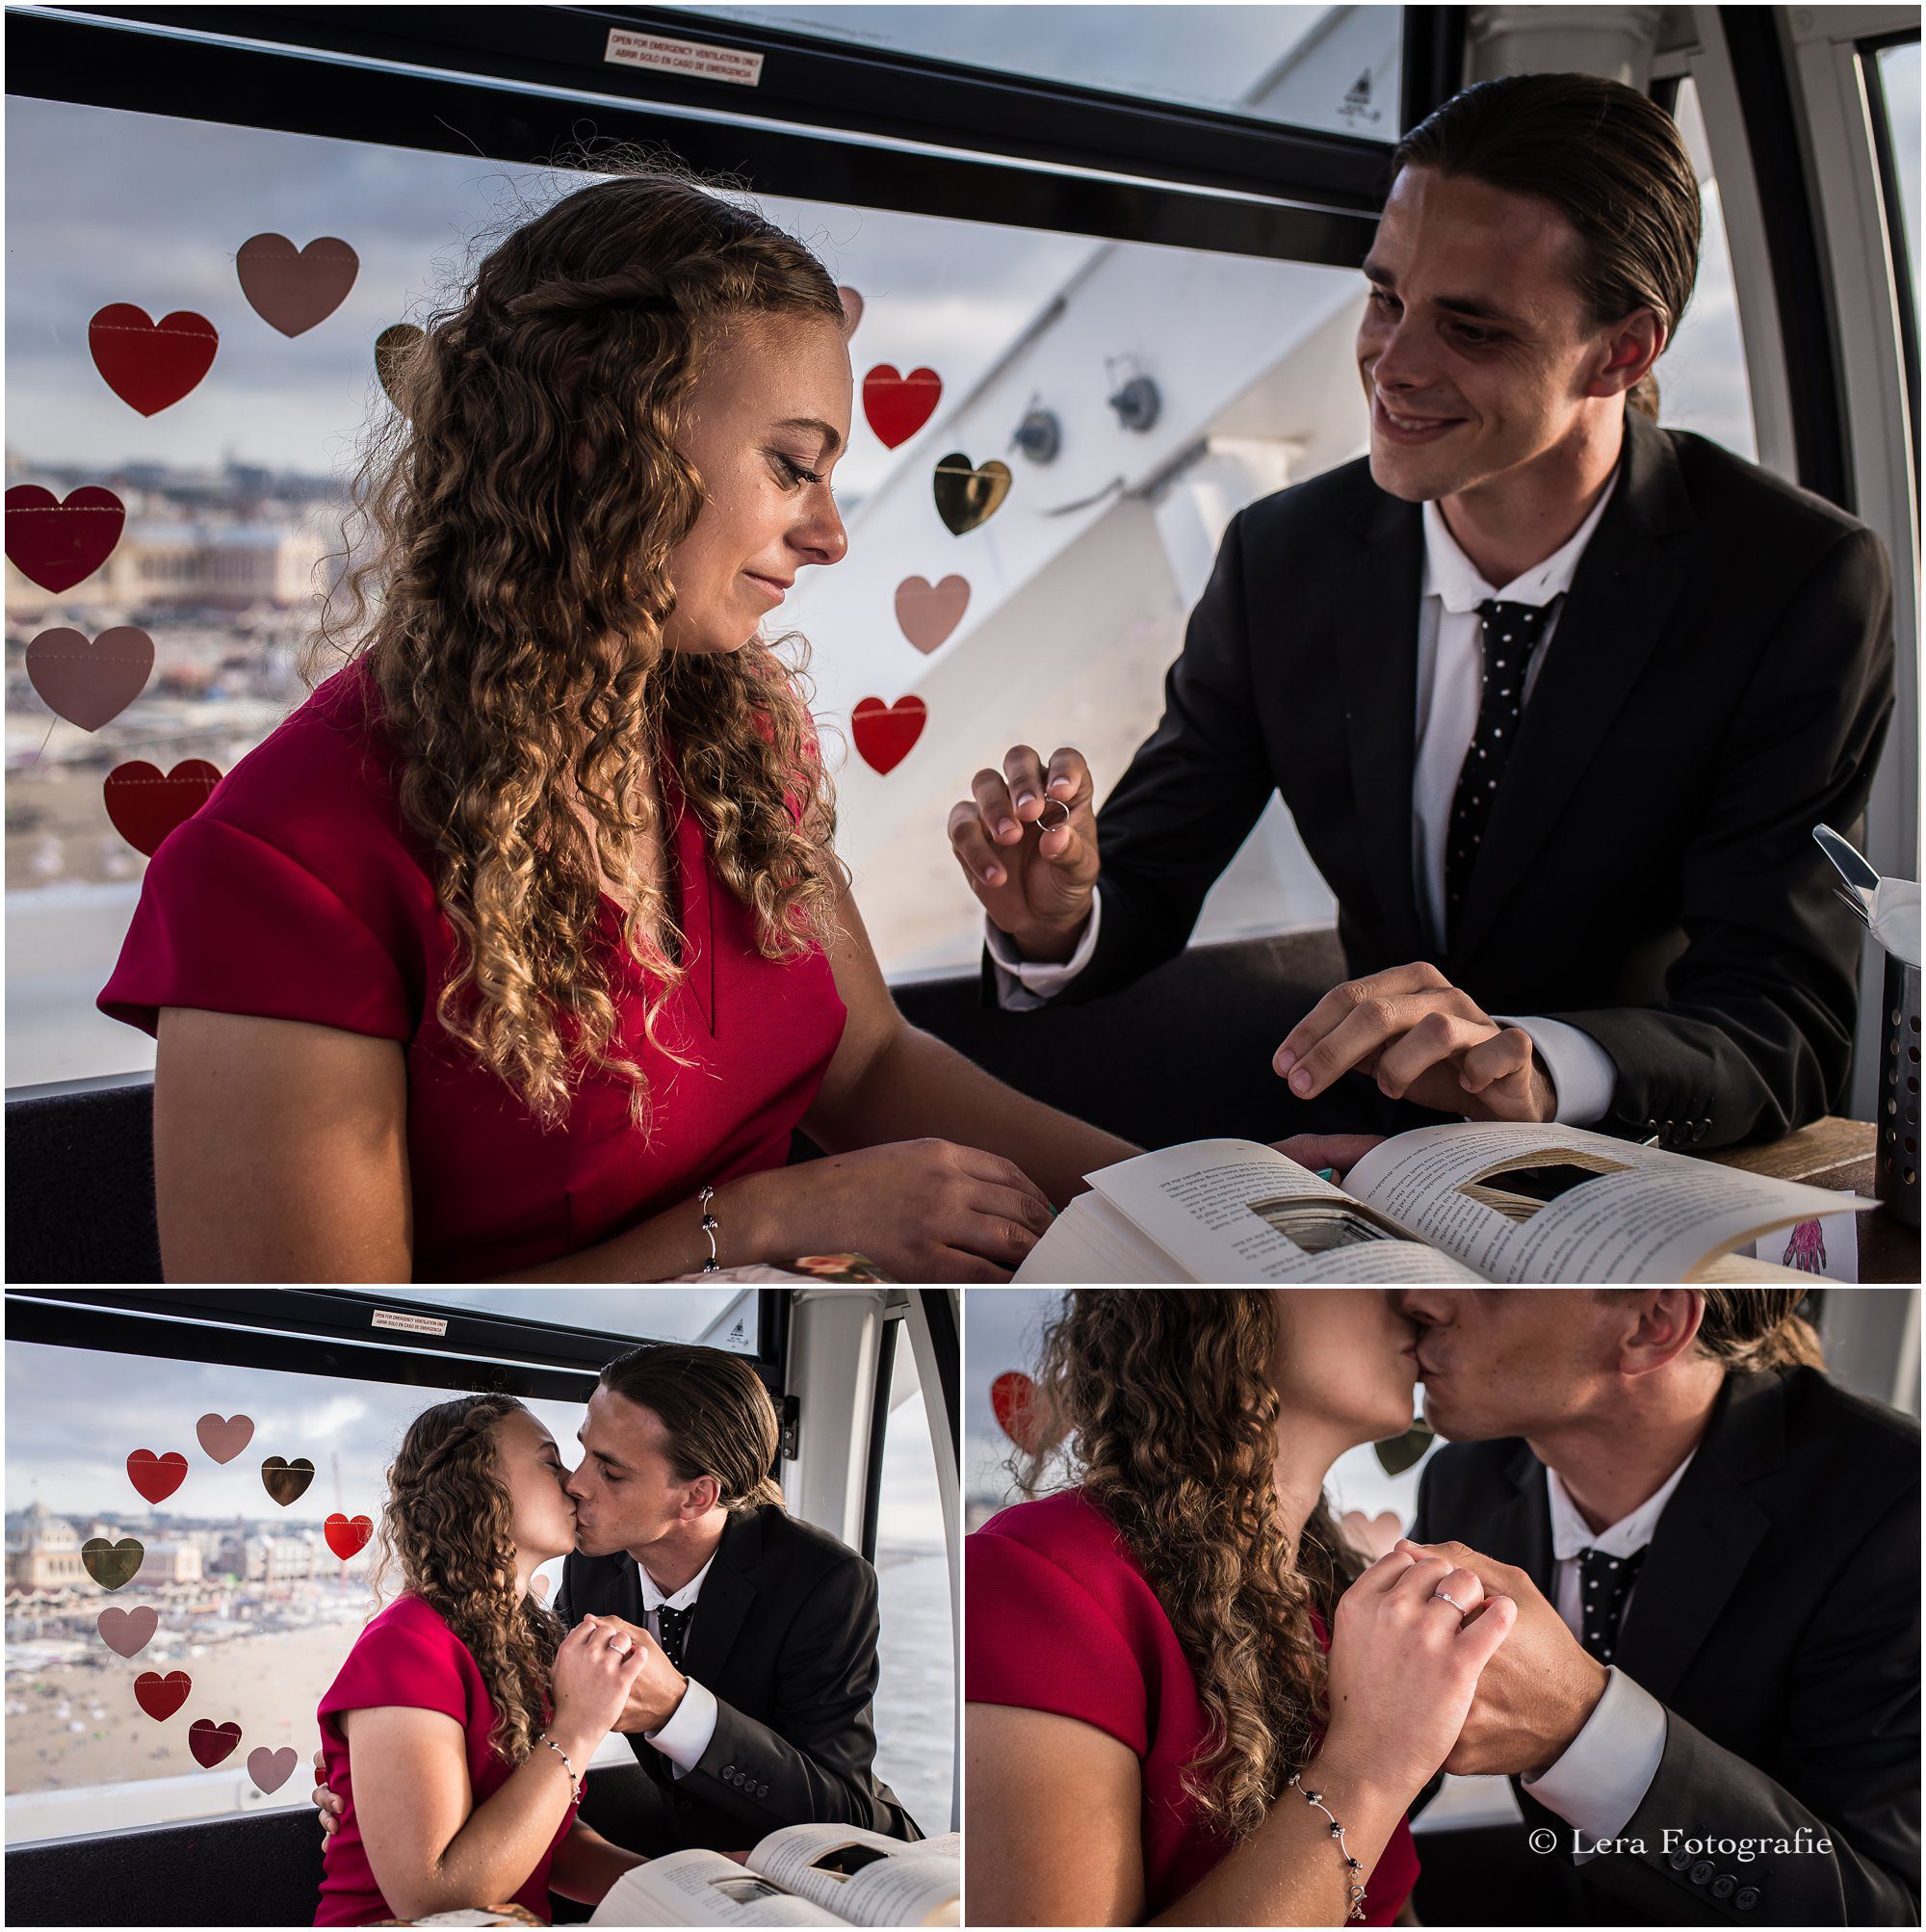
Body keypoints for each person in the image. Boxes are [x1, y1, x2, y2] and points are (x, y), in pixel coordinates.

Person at [97, 165, 1136, 1282]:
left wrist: (1199, 1197)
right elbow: (332, 1343)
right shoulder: (282, 866)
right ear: (602, 439)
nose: (830, 535)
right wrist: (756, 1222)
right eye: (791, 466)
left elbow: (869, 1060)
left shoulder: (736, 735)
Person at [949, 73, 1895, 1153]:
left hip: (1640, 1170)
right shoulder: (1280, 556)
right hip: (1367, 1158)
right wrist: (1054, 918)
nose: (1390, 367)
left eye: (1470, 329)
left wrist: (1537, 1069)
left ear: (1621, 351)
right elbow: (1149, 873)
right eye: (1384, 298)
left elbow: (1782, 1024)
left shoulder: (1791, 581)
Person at [966, 1290, 1517, 1925]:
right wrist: (1375, 1760)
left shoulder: (1333, 1596)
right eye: (1360, 1270)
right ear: (1223, 1301)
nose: (1417, 1299)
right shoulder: (1038, 1577)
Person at [1396, 1288, 1919, 1925]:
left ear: (1654, 1322)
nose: (1419, 1296)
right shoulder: (1464, 1481)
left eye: (1489, 1274)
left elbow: (1885, 1909)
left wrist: (1582, 1733)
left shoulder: (1895, 1504)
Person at [317, 1342, 916, 1862]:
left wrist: (676, 1713)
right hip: (696, 1871)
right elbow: (510, 1711)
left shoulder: (827, 1582)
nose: (576, 1483)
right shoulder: (589, 1568)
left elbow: (846, 1813)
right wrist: (376, 1784)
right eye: (580, 1452)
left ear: (695, 1497)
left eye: (611, 1470)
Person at [313, 1394, 652, 1925]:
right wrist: (580, 1727)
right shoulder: (405, 1645)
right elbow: (435, 1904)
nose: (572, 1482)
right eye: (549, 1461)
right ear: (476, 1487)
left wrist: (685, 1880)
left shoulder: (520, 1639)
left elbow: (544, 1842)